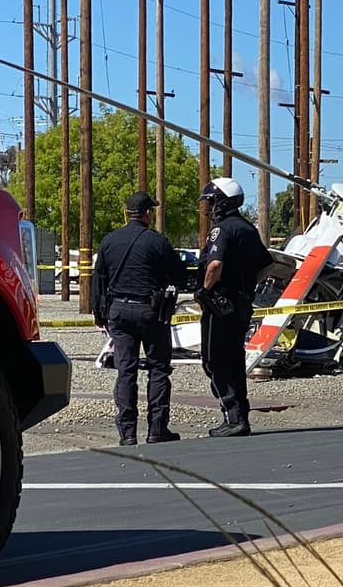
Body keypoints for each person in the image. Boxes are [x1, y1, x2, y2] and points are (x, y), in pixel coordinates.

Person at [91, 191, 186, 447]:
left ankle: (127, 432)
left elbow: (98, 279)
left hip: (119, 311)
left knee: (126, 371)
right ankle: (157, 428)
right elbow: (179, 275)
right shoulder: (157, 242)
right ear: (146, 213)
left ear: (127, 212)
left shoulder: (109, 241)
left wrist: (98, 314)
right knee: (158, 369)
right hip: (150, 311)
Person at [195, 177, 273, 437]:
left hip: (220, 306)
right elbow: (267, 265)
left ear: (221, 203)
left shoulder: (222, 230)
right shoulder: (249, 229)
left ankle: (233, 416)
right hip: (241, 304)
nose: (208, 206)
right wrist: (247, 286)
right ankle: (240, 414)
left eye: (211, 201)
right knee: (235, 359)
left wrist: (205, 291)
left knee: (214, 360)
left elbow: (215, 265)